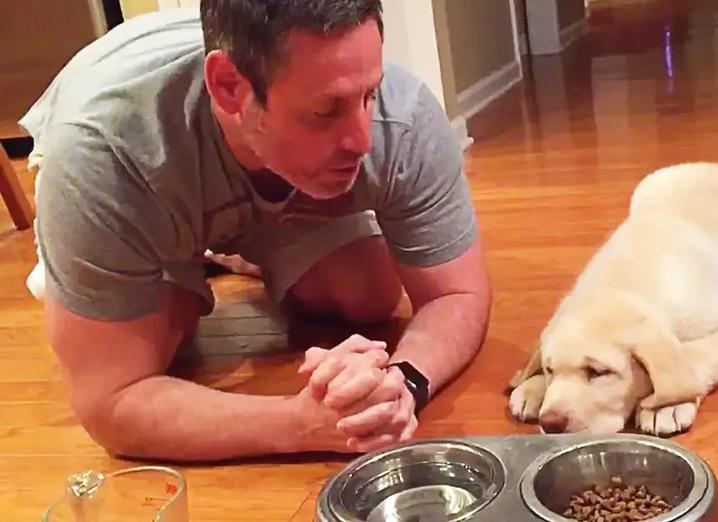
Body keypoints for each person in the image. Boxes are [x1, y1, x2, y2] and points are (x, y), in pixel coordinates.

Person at [18, 0, 492, 462]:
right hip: (139, 182)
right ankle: (87, 261)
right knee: (167, 329)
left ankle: (235, 246)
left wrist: (402, 385)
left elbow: (457, 295)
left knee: (369, 292)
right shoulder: (99, 155)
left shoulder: (402, 118)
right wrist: (302, 423)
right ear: (228, 88)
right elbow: (112, 401)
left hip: (244, 159)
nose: (362, 140)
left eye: (369, 95)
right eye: (326, 113)